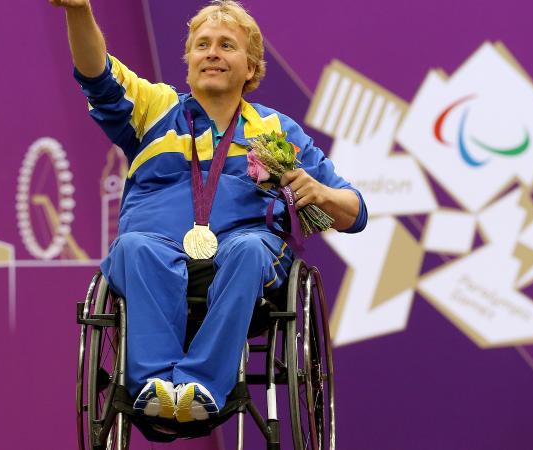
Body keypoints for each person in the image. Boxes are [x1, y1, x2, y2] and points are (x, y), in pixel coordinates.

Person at [51, 0, 367, 423]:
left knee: (252, 249)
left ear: (251, 68)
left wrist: (319, 192)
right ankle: (156, 387)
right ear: (189, 63)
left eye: (226, 45)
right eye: (202, 45)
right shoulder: (154, 109)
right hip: (157, 251)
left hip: (241, 255)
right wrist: (78, 11)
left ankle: (201, 387)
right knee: (134, 247)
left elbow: (356, 212)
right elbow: (97, 76)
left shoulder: (277, 131)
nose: (212, 52)